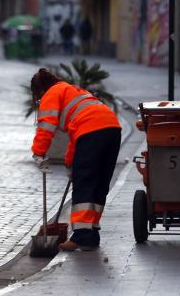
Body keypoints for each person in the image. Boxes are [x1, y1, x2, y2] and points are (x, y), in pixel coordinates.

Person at [30, 68, 121, 251]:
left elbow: (46, 126)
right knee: (98, 185)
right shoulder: (74, 90)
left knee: (84, 185)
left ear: (40, 91)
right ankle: (92, 234)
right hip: (112, 130)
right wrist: (71, 163)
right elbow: (76, 134)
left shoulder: (51, 93)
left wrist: (38, 153)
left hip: (91, 134)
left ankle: (82, 237)